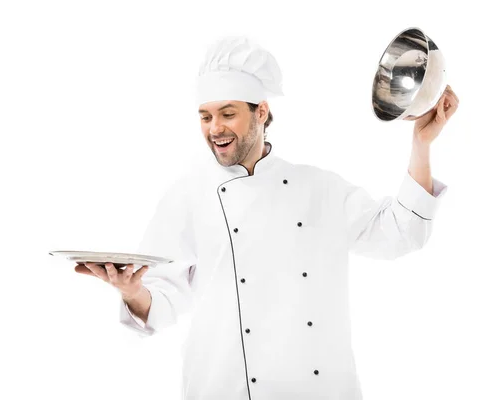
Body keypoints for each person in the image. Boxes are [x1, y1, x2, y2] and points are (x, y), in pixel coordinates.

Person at [74, 36, 459, 400]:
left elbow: (402, 233)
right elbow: (159, 304)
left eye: (228, 113)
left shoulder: (319, 188)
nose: (215, 128)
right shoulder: (186, 197)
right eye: (205, 116)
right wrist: (130, 291)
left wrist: (421, 144)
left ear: (262, 111)